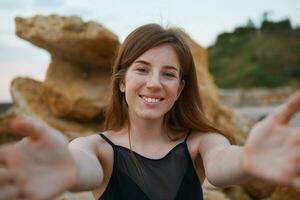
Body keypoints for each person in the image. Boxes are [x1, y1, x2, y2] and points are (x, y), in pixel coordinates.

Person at [0, 23, 300, 200]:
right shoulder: (95, 149)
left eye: (169, 74)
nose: (154, 84)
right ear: (121, 83)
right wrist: (63, 168)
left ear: (180, 89)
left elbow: (221, 166)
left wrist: (248, 157)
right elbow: (79, 165)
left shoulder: (200, 142)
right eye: (142, 70)